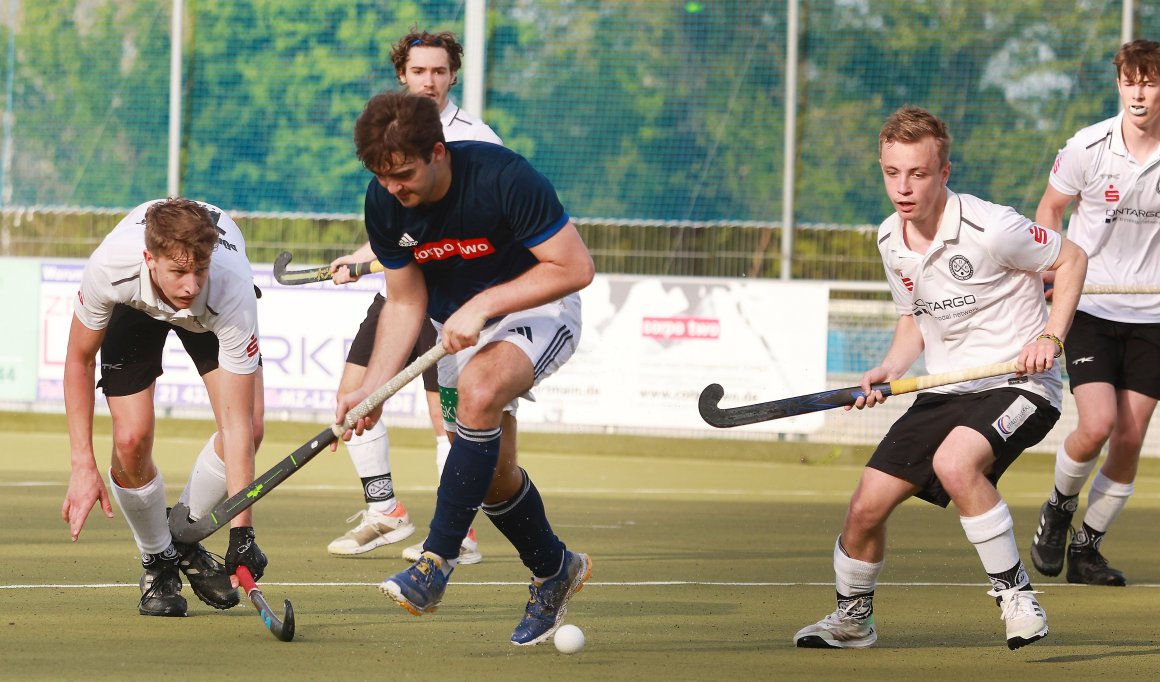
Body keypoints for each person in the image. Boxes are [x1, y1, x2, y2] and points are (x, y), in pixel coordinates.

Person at [793, 106, 1087, 651]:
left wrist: (1050, 337)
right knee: (865, 508)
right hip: (946, 389)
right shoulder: (890, 240)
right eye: (892, 172)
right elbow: (915, 318)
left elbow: (1072, 259)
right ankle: (853, 619)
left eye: (918, 173)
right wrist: (890, 367)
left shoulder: (991, 226)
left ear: (944, 172)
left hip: (1019, 385)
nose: (903, 187)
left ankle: (1016, 597)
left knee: (956, 462)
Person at [334, 91, 595, 646]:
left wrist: (485, 304)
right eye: (382, 178)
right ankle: (555, 570)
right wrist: (373, 387)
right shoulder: (383, 203)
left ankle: (435, 562)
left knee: (479, 393)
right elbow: (404, 303)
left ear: (438, 152)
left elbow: (574, 266)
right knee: (491, 472)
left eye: (403, 175)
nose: (394, 190)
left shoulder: (504, 177)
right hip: (457, 330)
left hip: (538, 309)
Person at [325, 29, 503, 564]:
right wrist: (361, 256)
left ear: (453, 76)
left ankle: (460, 533)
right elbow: (400, 215)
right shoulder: (389, 127)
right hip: (405, 287)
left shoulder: (477, 138)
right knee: (354, 395)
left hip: (457, 288)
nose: (430, 81)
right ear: (403, 74)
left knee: (447, 415)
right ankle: (385, 513)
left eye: (440, 71)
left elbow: (465, 229)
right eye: (420, 71)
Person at [61, 197, 270, 617]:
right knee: (131, 437)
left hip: (211, 317)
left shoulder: (230, 288)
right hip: (134, 306)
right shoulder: (111, 269)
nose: (190, 285)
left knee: (251, 426)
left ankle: (182, 536)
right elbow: (78, 360)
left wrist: (241, 532)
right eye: (178, 271)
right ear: (149, 258)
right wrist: (83, 464)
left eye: (199, 270)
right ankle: (158, 560)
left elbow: (235, 425)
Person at [1029, 39, 1160, 587]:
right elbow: (1049, 210)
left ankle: (1088, 550)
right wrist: (1048, 267)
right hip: (1089, 304)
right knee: (1098, 423)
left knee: (1130, 439)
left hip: (1152, 314)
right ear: (1118, 85)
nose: (1139, 91)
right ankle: (1059, 507)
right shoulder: (1088, 146)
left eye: (1150, 81)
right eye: (1131, 80)